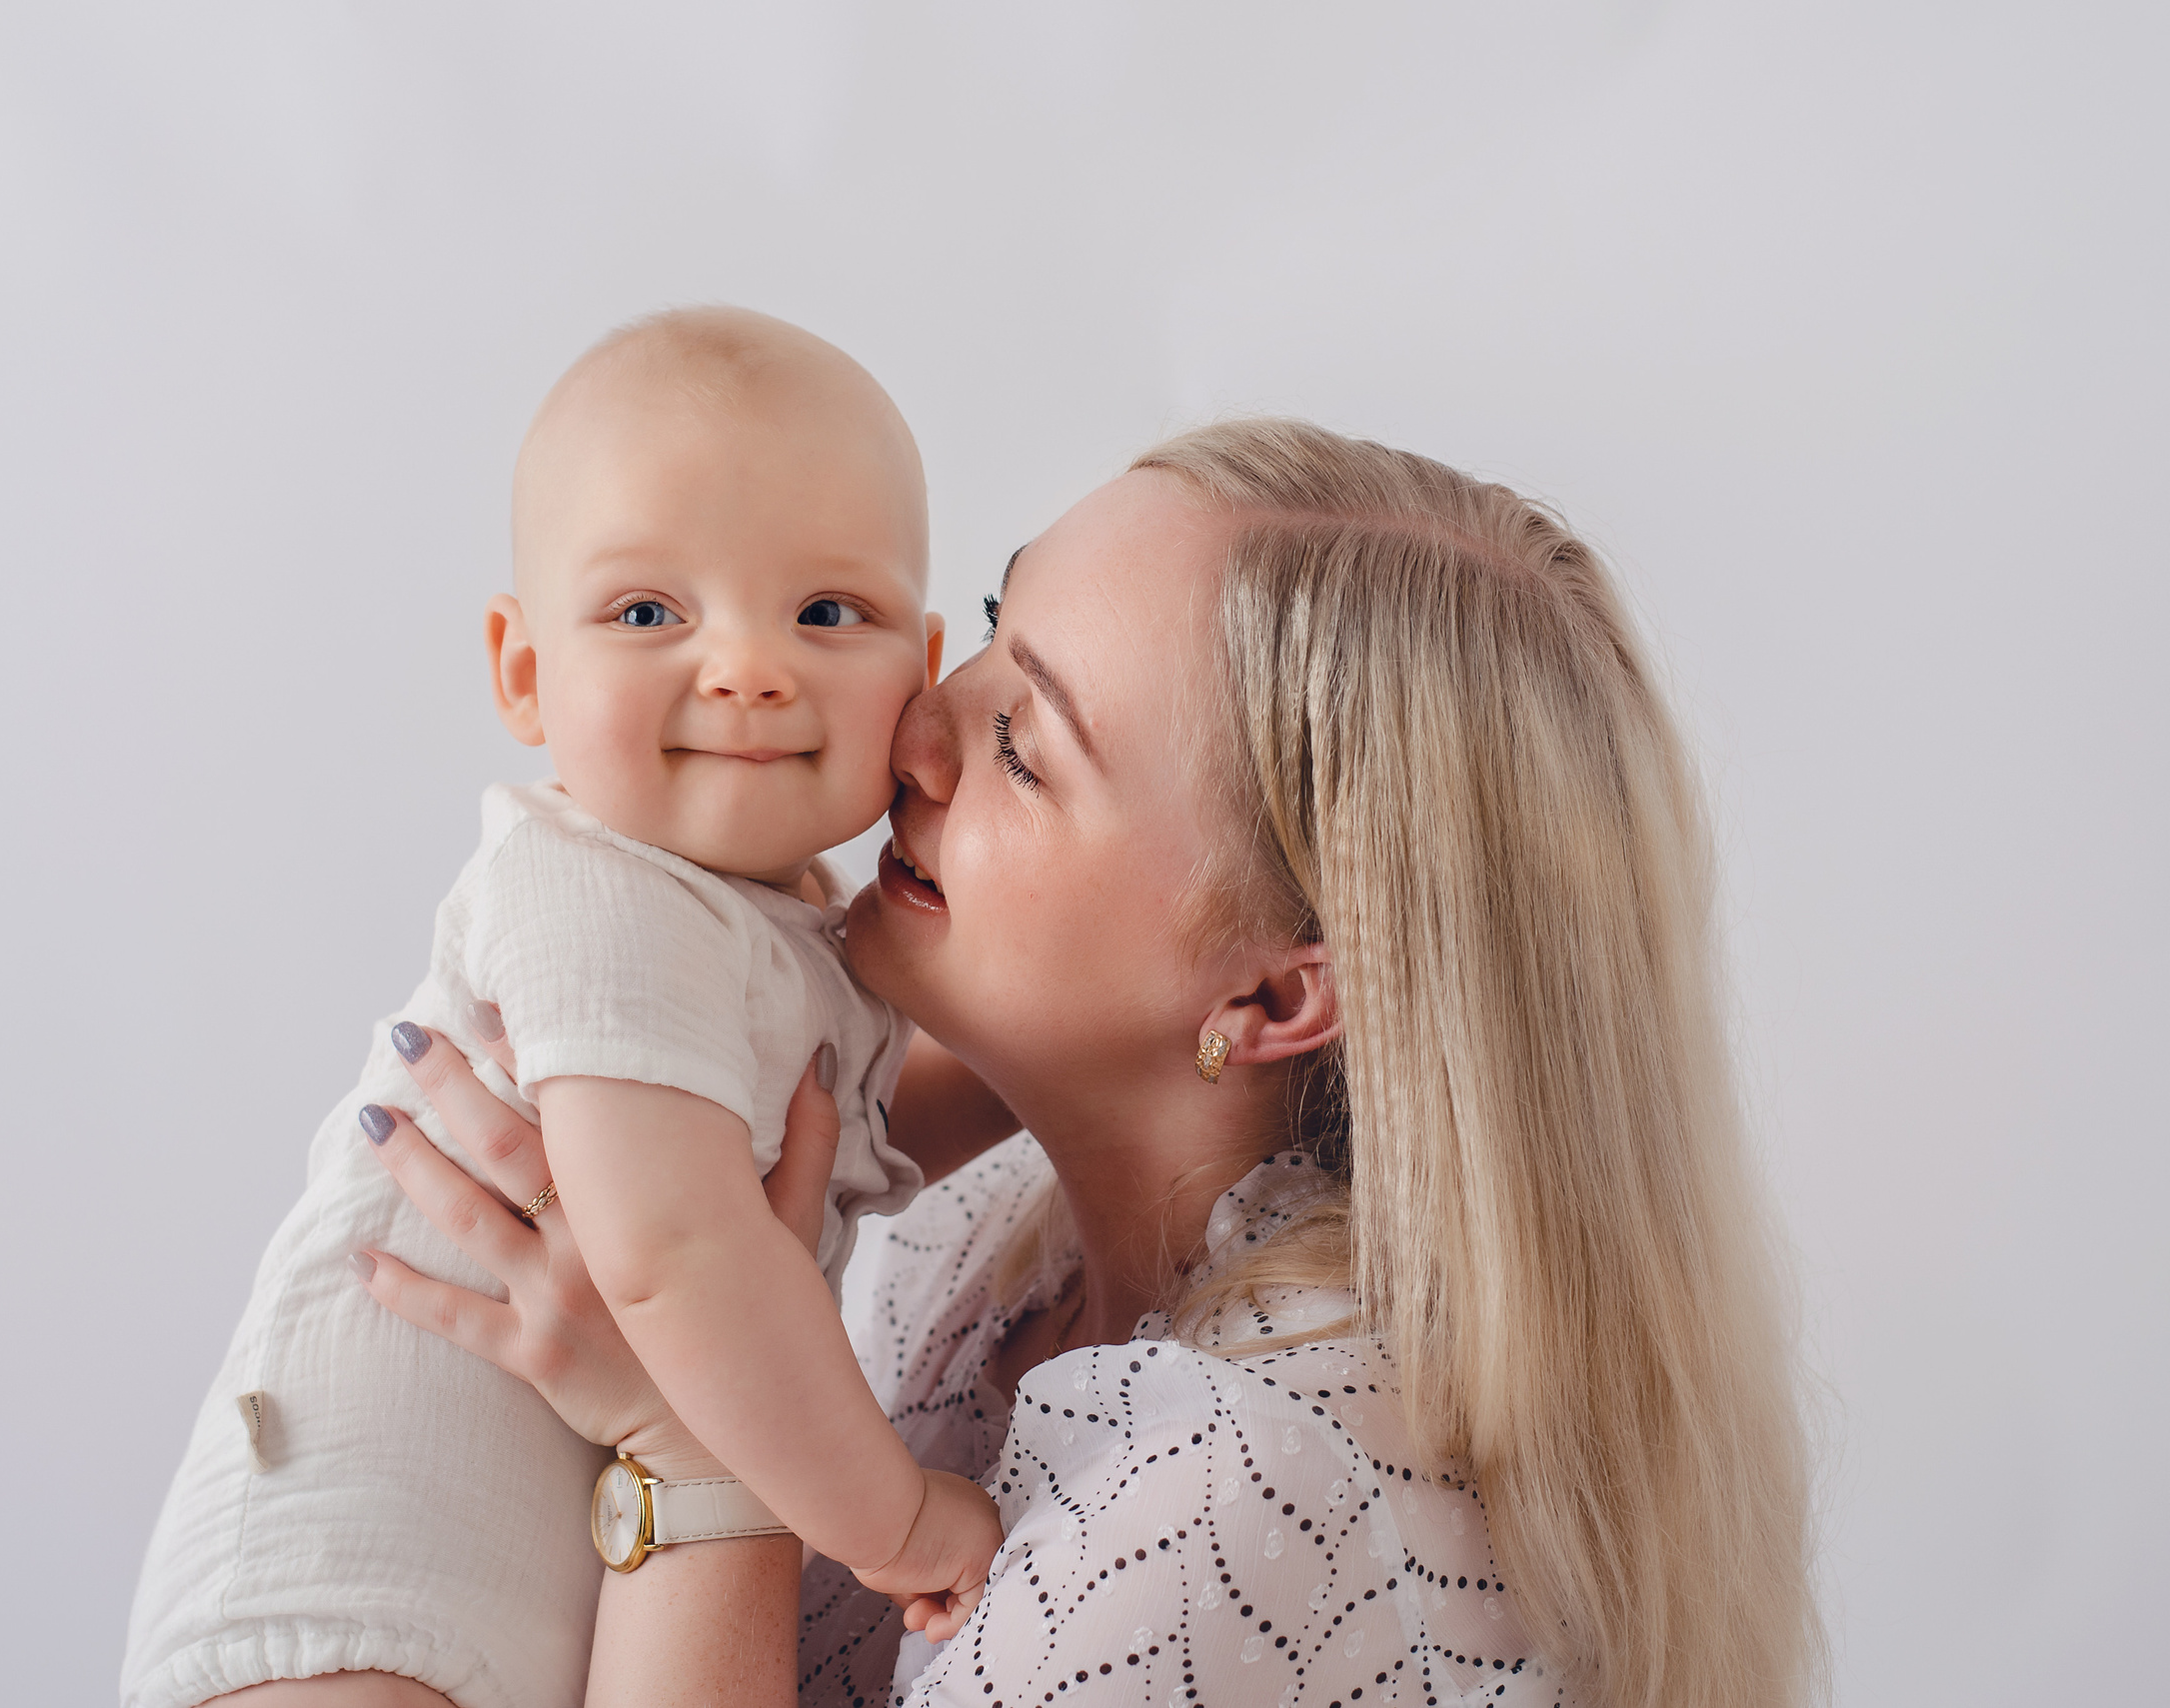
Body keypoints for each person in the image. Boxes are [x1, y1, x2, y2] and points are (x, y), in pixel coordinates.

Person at [322, 418, 1822, 1707]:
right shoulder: (1006, 1242)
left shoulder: (1227, 1510)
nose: (916, 729)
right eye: (987, 624)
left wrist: (685, 1433)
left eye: (1030, 746)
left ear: (1280, 987)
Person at [122, 308, 1006, 1708]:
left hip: (518, 1609)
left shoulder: (783, 927)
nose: (749, 667)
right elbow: (676, 1256)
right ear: (524, 668)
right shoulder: (600, 898)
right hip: (351, 1600)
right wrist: (889, 1518)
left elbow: (841, 1137)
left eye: (827, 612)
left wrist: (1047, 1055)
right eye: (652, 611)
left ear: (921, 663)